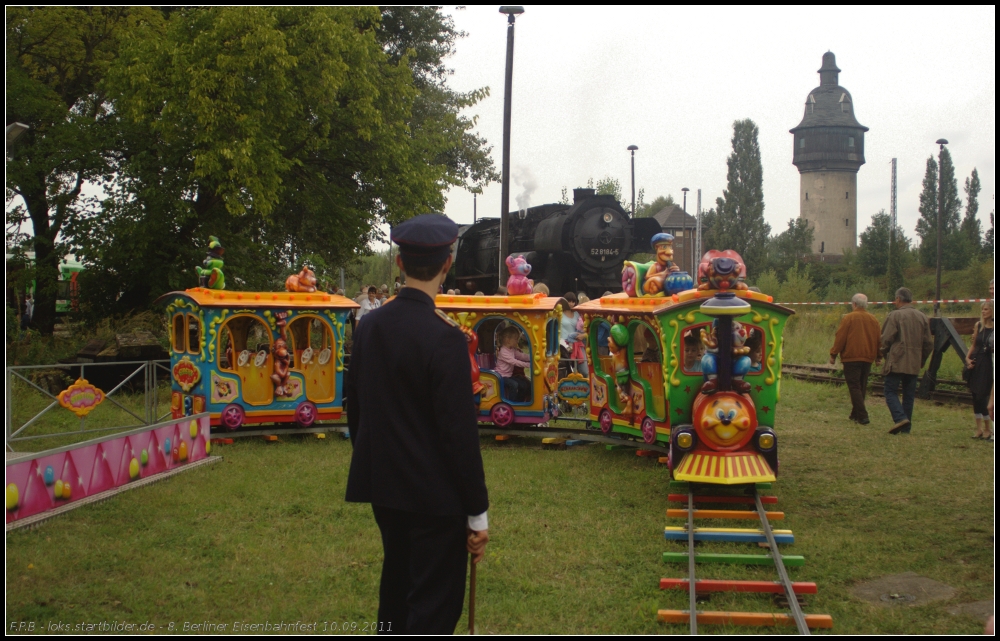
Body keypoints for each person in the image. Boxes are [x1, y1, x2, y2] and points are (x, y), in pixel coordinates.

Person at [346, 213, 489, 634]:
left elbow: (356, 409)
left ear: (399, 263)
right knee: (432, 608)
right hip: (435, 498)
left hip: (385, 489)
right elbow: (458, 436)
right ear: (448, 264)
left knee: (395, 591)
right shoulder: (446, 338)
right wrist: (477, 513)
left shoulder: (369, 327)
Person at [880, 287, 933, 435]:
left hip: (897, 360)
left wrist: (883, 354)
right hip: (914, 362)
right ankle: (906, 428)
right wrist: (922, 359)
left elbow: (886, 339)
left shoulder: (895, 315)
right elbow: (928, 343)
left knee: (890, 391)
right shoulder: (922, 316)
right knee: (909, 396)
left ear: (898, 299)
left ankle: (900, 418)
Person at [828, 293, 881, 425]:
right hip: (868, 357)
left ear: (854, 304)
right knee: (861, 386)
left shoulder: (849, 318)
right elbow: (879, 340)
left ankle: (863, 416)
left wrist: (833, 354)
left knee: (854, 386)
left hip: (851, 357)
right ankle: (855, 414)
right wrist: (878, 357)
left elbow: (841, 337)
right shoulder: (873, 320)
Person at [965, 300, 993, 440]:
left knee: (983, 396)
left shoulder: (993, 328)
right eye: (982, 309)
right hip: (976, 361)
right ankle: (979, 428)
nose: (983, 312)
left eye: (986, 309)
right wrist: (967, 359)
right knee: (975, 396)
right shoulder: (979, 325)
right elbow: (974, 344)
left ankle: (988, 428)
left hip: (988, 363)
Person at [496, 326, 531, 401]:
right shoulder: (503, 352)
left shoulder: (512, 349)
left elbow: (522, 356)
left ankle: (519, 402)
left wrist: (532, 357)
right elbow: (514, 362)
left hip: (508, 376)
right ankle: (511, 403)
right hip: (501, 376)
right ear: (508, 340)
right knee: (514, 385)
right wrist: (528, 365)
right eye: (515, 339)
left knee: (524, 385)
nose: (517, 341)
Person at [559, 292, 581, 378]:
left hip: (576, 343)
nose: (571, 304)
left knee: (577, 366)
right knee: (567, 365)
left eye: (573, 301)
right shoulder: (559, 313)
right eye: (569, 301)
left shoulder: (577, 314)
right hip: (563, 343)